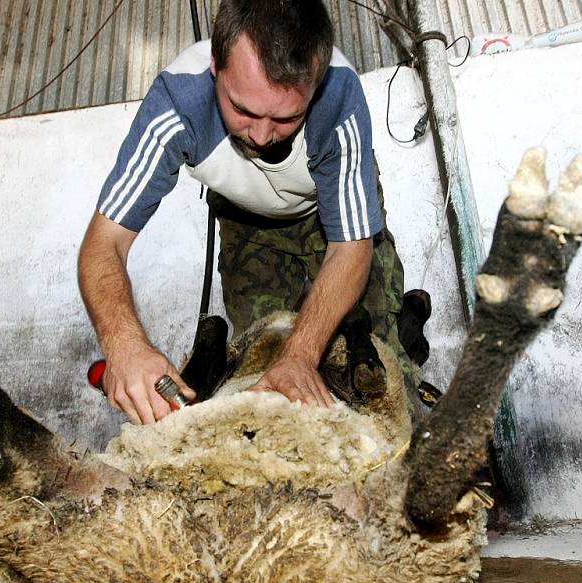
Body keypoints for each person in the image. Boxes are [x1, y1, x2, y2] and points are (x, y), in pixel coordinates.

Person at [78, 0, 408, 425]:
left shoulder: (339, 96)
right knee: (258, 355)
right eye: (243, 110)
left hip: (331, 217)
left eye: (286, 117)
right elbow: (105, 242)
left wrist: (301, 357)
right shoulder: (177, 104)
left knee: (385, 363)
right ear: (216, 64)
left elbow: (350, 247)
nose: (261, 135)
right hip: (246, 222)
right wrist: (124, 345)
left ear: (316, 82)